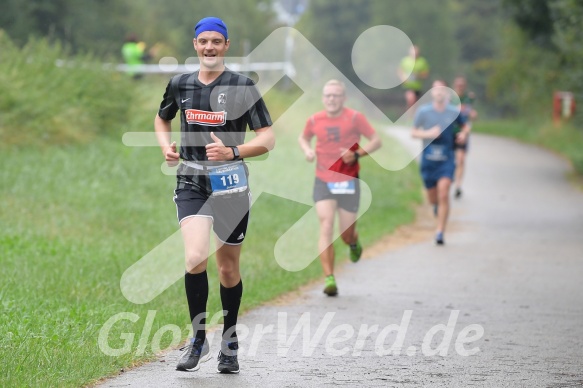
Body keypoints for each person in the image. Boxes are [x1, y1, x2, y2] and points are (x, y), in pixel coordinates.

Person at [154, 16, 275, 374]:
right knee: (194, 258)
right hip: (190, 180)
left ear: (226, 45)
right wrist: (166, 148)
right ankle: (198, 338)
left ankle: (230, 342)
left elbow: (267, 138)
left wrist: (234, 153)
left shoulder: (242, 85)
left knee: (227, 268)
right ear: (195, 45)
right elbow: (162, 118)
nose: (209, 47)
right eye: (203, 41)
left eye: (216, 41)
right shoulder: (180, 84)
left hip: (231, 183)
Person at [298, 79, 381, 296]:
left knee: (346, 233)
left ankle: (354, 243)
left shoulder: (354, 118)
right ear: (323, 98)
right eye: (327, 95)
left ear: (343, 98)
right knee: (326, 225)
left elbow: (376, 140)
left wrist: (357, 154)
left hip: (348, 180)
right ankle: (329, 278)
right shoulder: (315, 119)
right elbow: (303, 137)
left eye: (335, 95)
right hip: (323, 179)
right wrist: (307, 150)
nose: (331, 99)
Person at [412, 79, 469, 245]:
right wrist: (428, 133)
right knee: (433, 198)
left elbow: (465, 126)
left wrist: (464, 134)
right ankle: (436, 206)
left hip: (446, 159)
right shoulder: (423, 111)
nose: (439, 93)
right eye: (436, 90)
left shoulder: (453, 111)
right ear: (432, 93)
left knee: (444, 193)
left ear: (447, 94)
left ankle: (440, 232)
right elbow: (414, 132)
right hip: (428, 161)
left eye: (442, 90)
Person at [452, 76, 478, 198]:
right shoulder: (449, 98)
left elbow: (472, 114)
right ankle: (446, 180)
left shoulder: (468, 99)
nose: (460, 87)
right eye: (458, 85)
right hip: (450, 132)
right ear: (454, 86)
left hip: (462, 132)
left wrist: (473, 114)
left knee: (461, 159)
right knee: (450, 159)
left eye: (462, 85)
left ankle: (458, 186)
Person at [398, 45, 430, 112]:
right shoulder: (405, 60)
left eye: (416, 51)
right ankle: (410, 118)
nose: (414, 53)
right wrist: (403, 78)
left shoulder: (422, 62)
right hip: (408, 86)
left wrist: (417, 75)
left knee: (415, 104)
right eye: (413, 51)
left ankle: (412, 118)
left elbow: (426, 74)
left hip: (418, 87)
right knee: (411, 99)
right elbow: (400, 71)